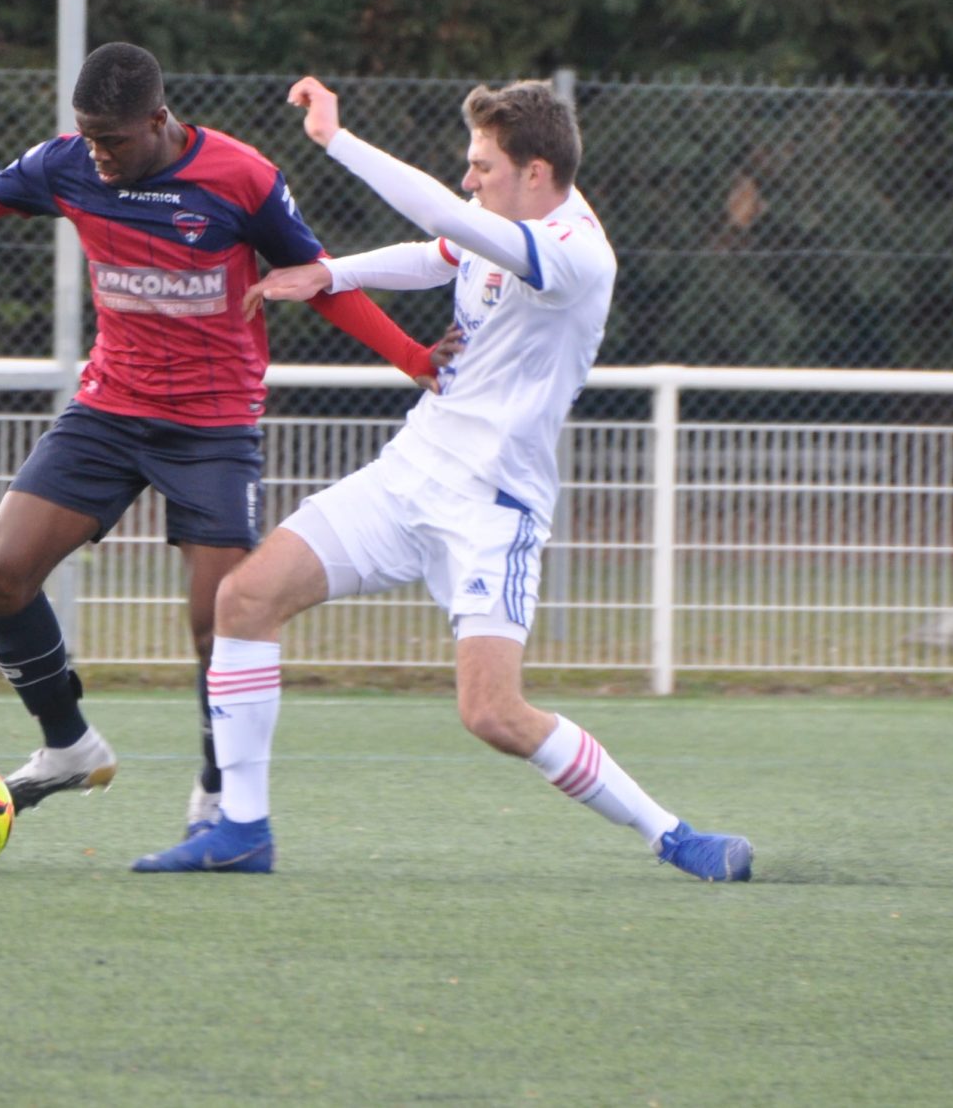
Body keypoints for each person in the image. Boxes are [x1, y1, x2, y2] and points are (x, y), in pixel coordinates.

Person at [0, 43, 444, 835]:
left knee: (221, 617)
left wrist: (413, 358)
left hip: (212, 425)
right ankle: (68, 746)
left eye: (113, 139)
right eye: (87, 136)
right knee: (1, 575)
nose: (98, 154)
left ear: (159, 121)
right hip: (109, 409)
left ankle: (221, 793)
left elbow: (322, 279)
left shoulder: (240, 177)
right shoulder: (69, 168)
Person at [131, 75, 753, 881]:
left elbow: (443, 219)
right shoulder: (503, 220)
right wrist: (331, 274)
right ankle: (243, 829)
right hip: (407, 478)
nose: (470, 179)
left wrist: (336, 142)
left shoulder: (576, 254)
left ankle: (673, 835)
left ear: (536, 173)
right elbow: (438, 253)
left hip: (491, 511)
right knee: (244, 600)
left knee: (491, 713)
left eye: (483, 165)